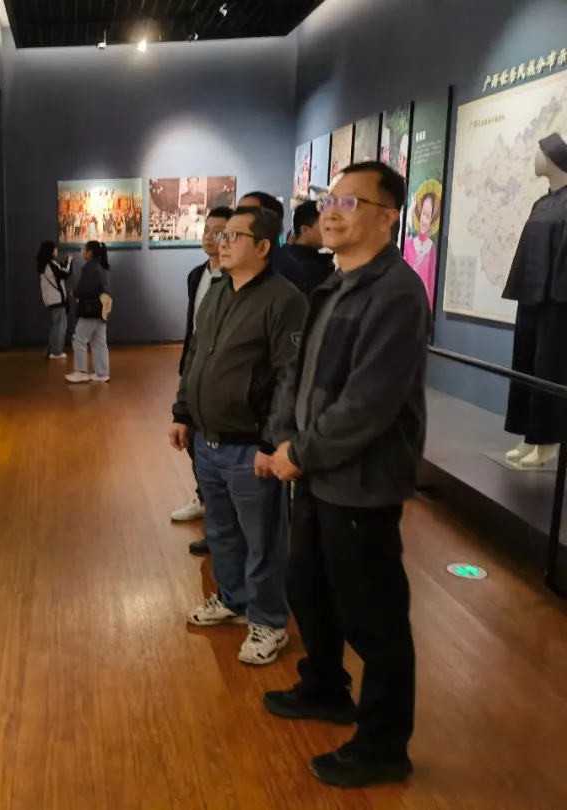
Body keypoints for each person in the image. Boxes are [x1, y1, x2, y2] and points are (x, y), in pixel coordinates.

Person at [265, 161, 429, 788]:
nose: (330, 212)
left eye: (349, 203)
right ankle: (325, 686)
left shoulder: (397, 294)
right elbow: (298, 374)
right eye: (329, 200)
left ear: (388, 217)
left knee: (373, 615)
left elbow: (368, 403)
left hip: (361, 481)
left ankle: (384, 745)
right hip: (314, 474)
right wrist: (283, 438)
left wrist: (300, 452)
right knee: (309, 587)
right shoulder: (333, 284)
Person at [170, 206, 306, 666]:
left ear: (264, 246)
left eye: (233, 236)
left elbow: (290, 378)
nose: (222, 242)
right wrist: (183, 412)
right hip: (209, 440)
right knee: (222, 531)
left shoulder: (284, 300)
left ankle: (268, 621)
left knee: (262, 540)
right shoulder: (217, 291)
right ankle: (232, 600)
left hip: (252, 447)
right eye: (221, 234)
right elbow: (195, 357)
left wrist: (273, 443)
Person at [172, 206, 232, 532]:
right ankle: (204, 497)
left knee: (213, 442)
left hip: (221, 374)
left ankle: (218, 507)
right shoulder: (197, 275)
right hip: (194, 366)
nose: (210, 236)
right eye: (207, 229)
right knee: (193, 439)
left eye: (219, 231)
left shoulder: (236, 279)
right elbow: (192, 326)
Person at [65, 240, 111, 384]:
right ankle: (102, 373)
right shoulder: (101, 267)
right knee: (99, 342)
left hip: (90, 310)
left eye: (84, 249)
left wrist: (75, 292)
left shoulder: (90, 268)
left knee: (79, 339)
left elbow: (85, 289)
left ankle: (81, 371)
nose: (83, 252)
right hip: (100, 310)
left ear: (90, 253)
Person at [275, 200, 335, 297]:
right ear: (305, 230)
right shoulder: (304, 267)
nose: (330, 229)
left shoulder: (285, 256)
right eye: (324, 224)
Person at [403, 185, 440, 307]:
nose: (424, 220)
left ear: (432, 220)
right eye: (424, 214)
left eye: (428, 216)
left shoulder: (433, 251)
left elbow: (431, 290)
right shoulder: (407, 245)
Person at [37, 240, 72, 360]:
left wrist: (65, 264)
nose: (56, 250)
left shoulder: (44, 265)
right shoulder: (51, 264)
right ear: (51, 250)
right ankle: (56, 352)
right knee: (60, 326)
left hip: (51, 300)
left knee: (56, 325)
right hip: (57, 300)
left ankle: (51, 350)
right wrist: (69, 261)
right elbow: (64, 274)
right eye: (55, 248)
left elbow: (60, 273)